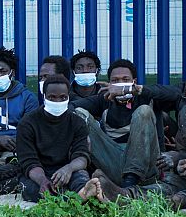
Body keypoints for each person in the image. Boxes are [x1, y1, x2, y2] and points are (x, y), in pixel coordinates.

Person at [80, 64, 186, 210]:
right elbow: (183, 152)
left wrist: (185, 159)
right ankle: (125, 195)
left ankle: (184, 199)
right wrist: (182, 167)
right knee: (169, 183)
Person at [72, 58, 180, 187]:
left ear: (134, 82)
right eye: (115, 81)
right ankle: (121, 183)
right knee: (80, 114)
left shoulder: (147, 96)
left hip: (148, 169)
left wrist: (135, 90)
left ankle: (131, 181)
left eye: (125, 80)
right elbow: (70, 107)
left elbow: (176, 94)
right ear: (109, 84)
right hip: (115, 165)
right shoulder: (103, 99)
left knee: (143, 111)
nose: (121, 84)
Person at [16, 75, 90, 202]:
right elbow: (29, 161)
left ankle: (82, 193)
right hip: (39, 173)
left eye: (63, 97)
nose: (57, 101)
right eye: (52, 97)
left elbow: (82, 156)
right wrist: (42, 180)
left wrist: (69, 169)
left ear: (68, 97)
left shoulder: (77, 122)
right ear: (44, 96)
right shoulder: (27, 123)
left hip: (68, 171)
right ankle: (75, 198)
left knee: (81, 178)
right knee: (30, 190)